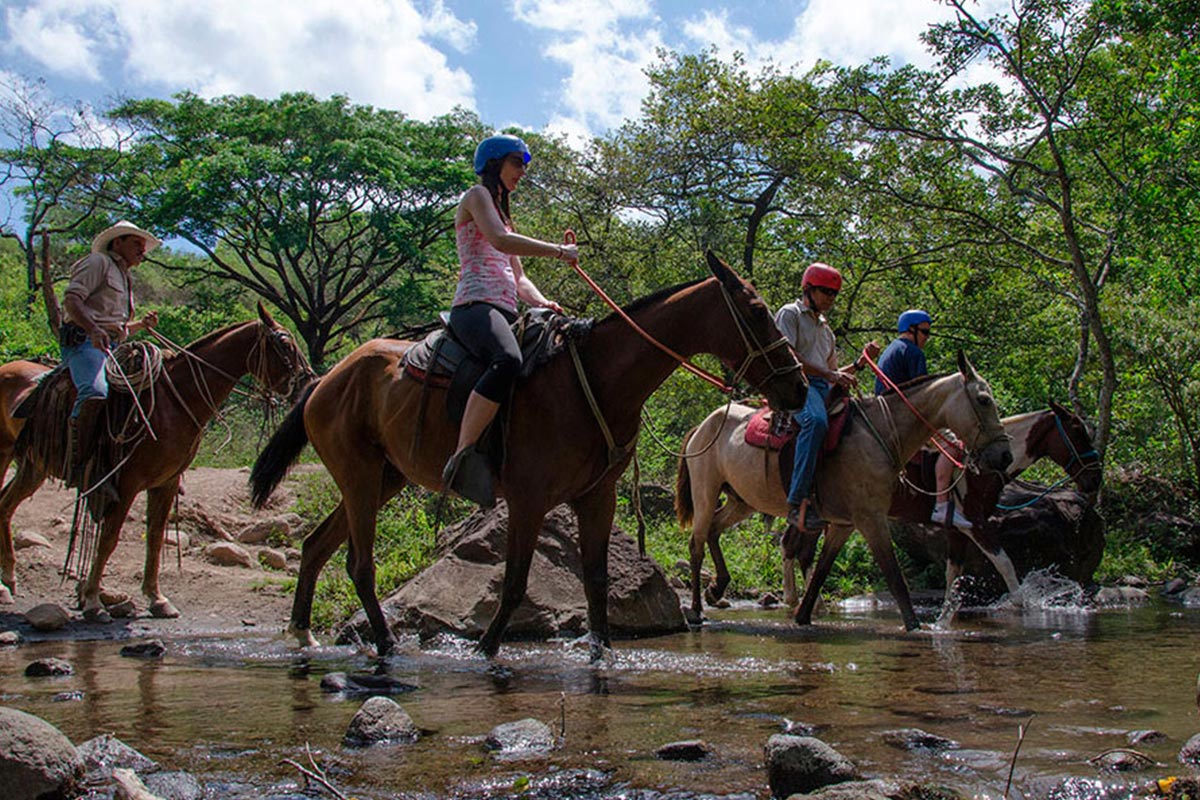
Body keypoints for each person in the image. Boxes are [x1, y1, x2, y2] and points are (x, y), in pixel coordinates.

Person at [441, 134, 578, 507]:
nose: (522, 171)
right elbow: (501, 241)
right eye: (517, 163)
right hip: (474, 306)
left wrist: (543, 301)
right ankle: (463, 455)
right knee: (508, 360)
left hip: (505, 309)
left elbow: (518, 279)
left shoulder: (503, 212)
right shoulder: (476, 197)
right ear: (494, 163)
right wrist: (559, 251)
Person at [774, 263, 878, 531]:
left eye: (834, 293)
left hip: (821, 386)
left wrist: (860, 363)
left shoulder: (826, 330)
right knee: (815, 422)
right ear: (808, 289)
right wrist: (831, 377)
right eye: (825, 291)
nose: (830, 298)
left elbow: (832, 371)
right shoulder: (790, 314)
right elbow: (789, 358)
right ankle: (797, 502)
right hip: (796, 386)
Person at [59, 220, 161, 477]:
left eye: (144, 246)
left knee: (153, 392)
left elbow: (116, 325)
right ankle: (78, 462)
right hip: (84, 344)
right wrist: (93, 329)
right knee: (95, 392)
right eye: (136, 243)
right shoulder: (98, 263)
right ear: (118, 242)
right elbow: (72, 300)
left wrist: (140, 325)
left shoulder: (125, 276)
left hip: (111, 349)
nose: (142, 250)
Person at [874, 309, 972, 530]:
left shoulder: (891, 350)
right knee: (954, 445)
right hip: (905, 419)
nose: (927, 338)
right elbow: (924, 392)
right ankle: (941, 505)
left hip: (886, 414)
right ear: (912, 329)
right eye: (925, 332)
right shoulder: (913, 353)